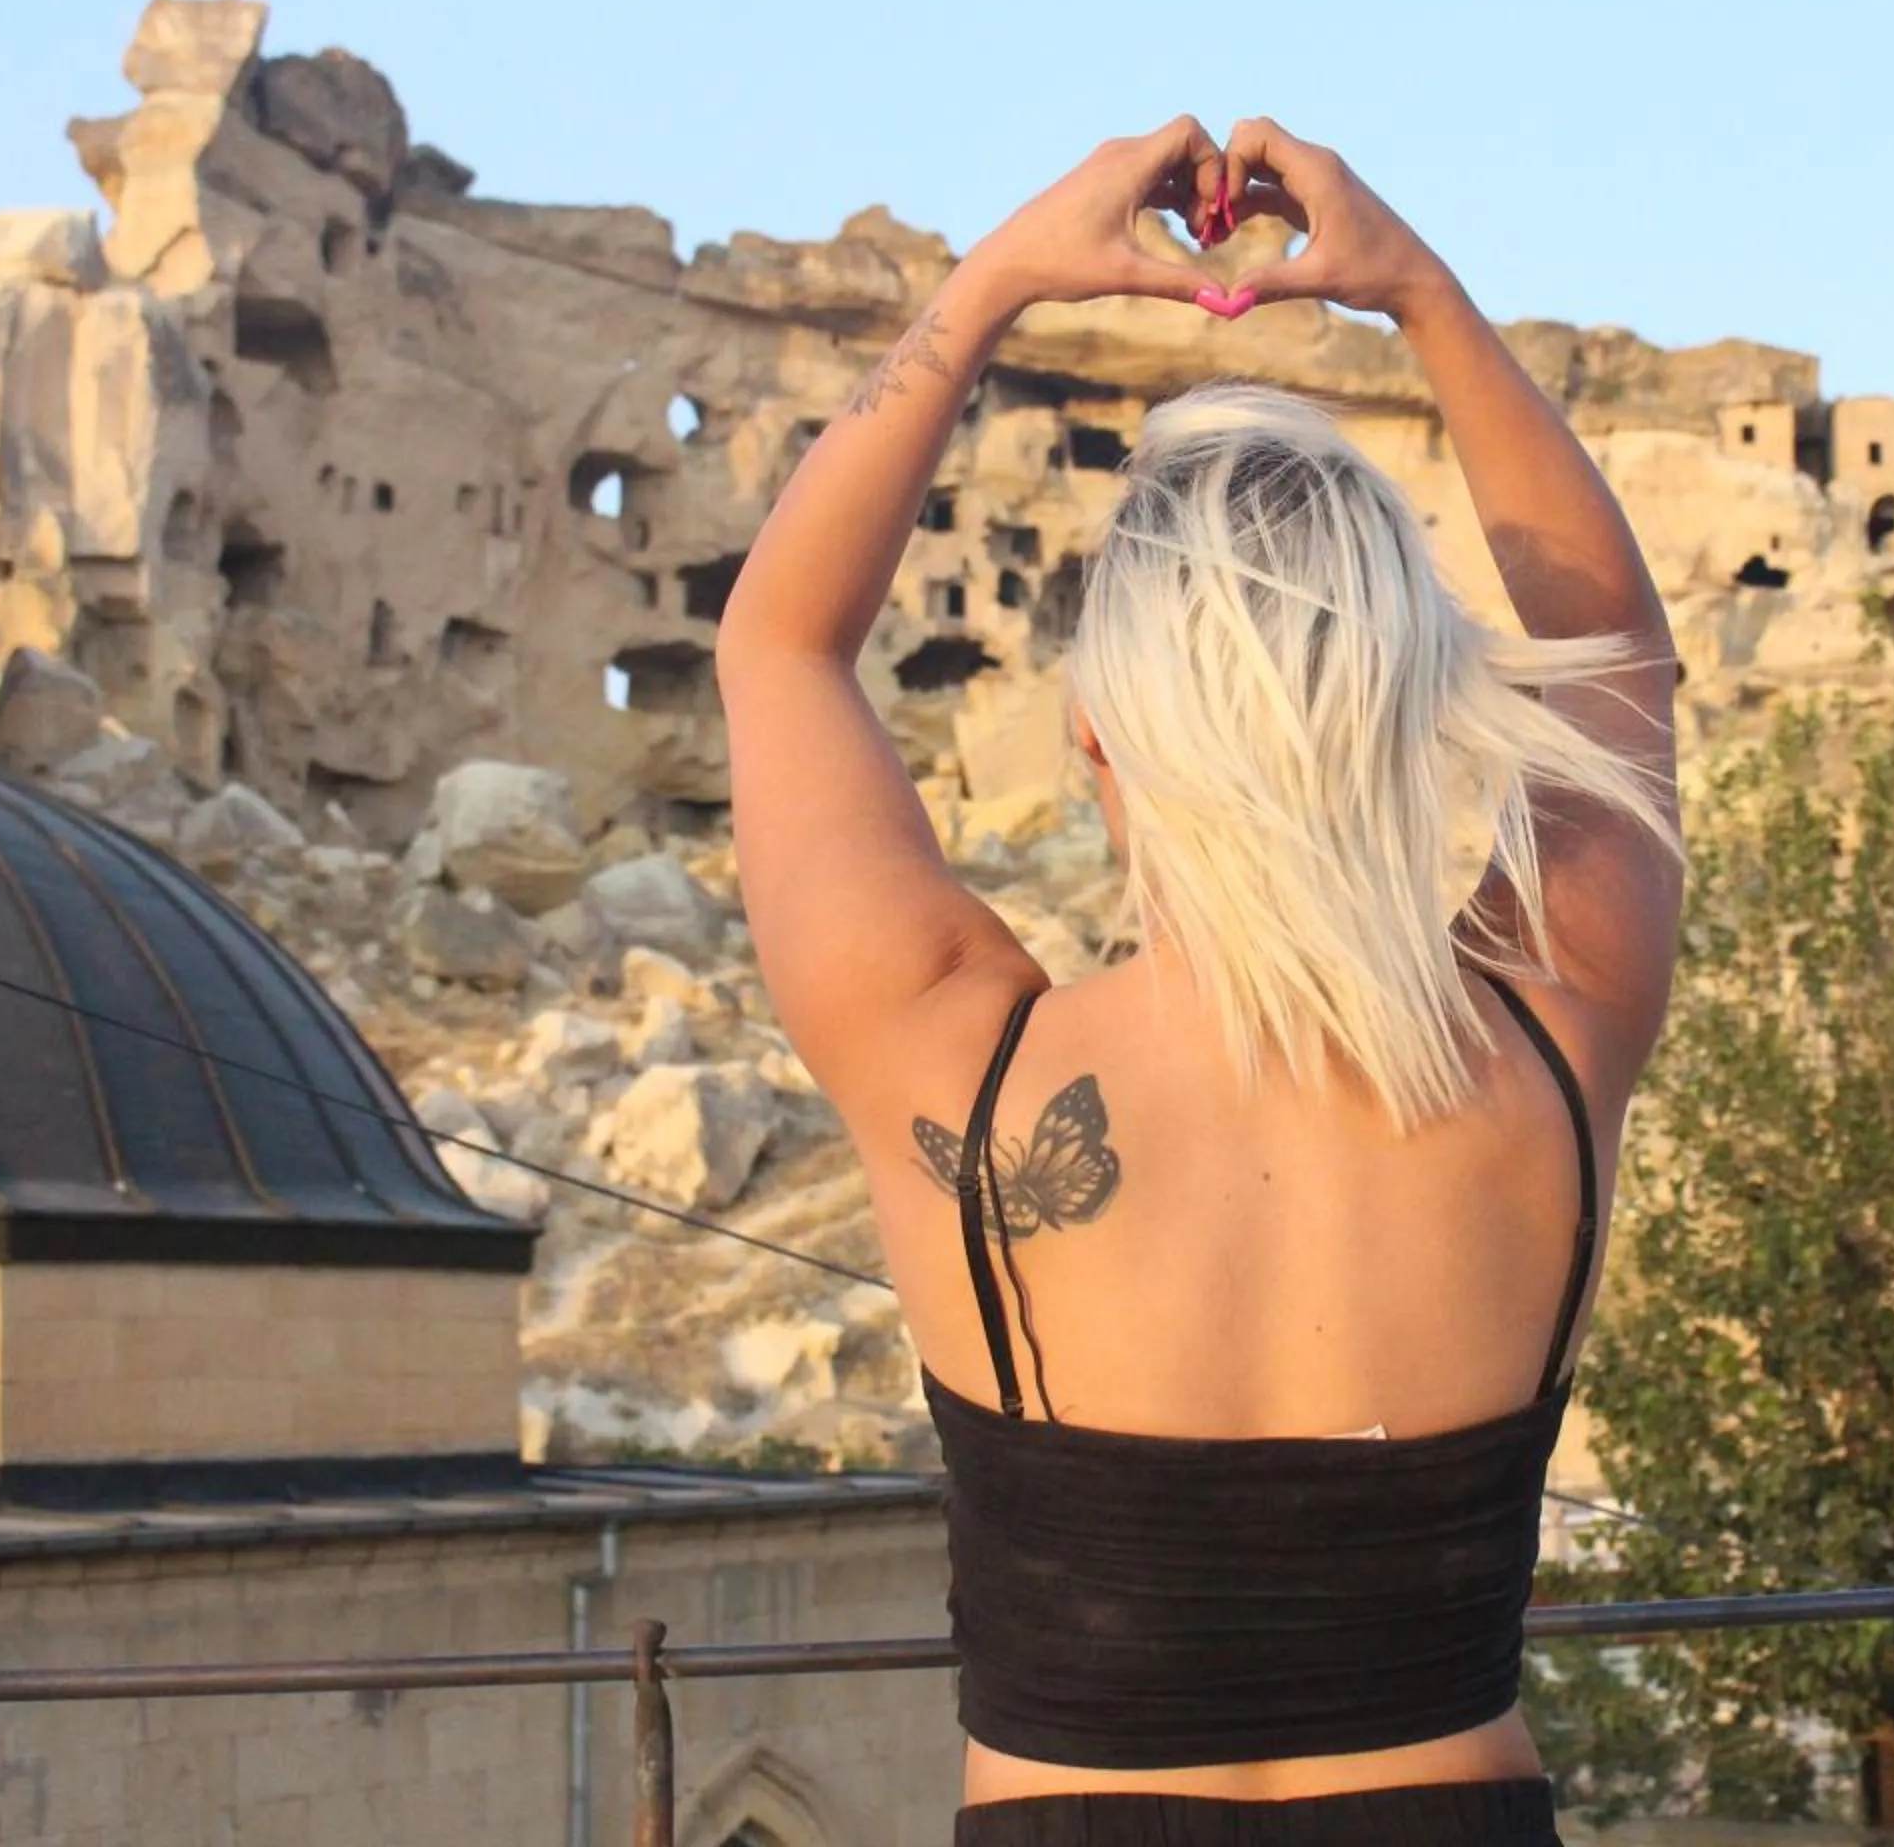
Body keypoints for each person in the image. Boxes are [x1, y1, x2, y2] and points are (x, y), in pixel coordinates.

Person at [718, 116, 1683, 1846]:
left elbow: (779, 643)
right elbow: (1615, 649)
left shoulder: (962, 1064)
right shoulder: (1544, 1045)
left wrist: (1000, 276)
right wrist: (1420, 297)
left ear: (1097, 730)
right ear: (1411, 713)